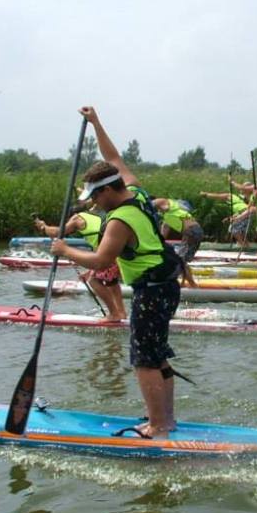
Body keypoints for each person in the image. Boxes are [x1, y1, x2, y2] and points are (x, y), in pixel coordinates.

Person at [51, 107, 183, 438]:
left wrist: (64, 249)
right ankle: (165, 419)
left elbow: (100, 261)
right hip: (165, 284)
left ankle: (157, 426)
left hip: (152, 291)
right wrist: (96, 123)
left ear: (109, 190)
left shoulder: (120, 219)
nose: (92, 203)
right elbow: (113, 157)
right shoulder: (136, 192)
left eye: (95, 196)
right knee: (157, 356)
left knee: (144, 360)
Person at [33, 208, 126, 321]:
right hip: (117, 253)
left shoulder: (77, 218)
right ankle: (121, 313)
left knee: (94, 281)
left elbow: (56, 232)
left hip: (110, 254)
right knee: (111, 281)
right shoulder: (94, 215)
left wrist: (43, 227)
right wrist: (90, 270)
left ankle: (114, 314)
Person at [153, 197, 202, 287]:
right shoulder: (167, 218)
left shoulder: (166, 203)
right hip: (190, 232)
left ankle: (193, 286)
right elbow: (163, 234)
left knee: (180, 261)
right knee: (181, 260)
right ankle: (185, 284)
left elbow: (159, 205)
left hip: (192, 231)